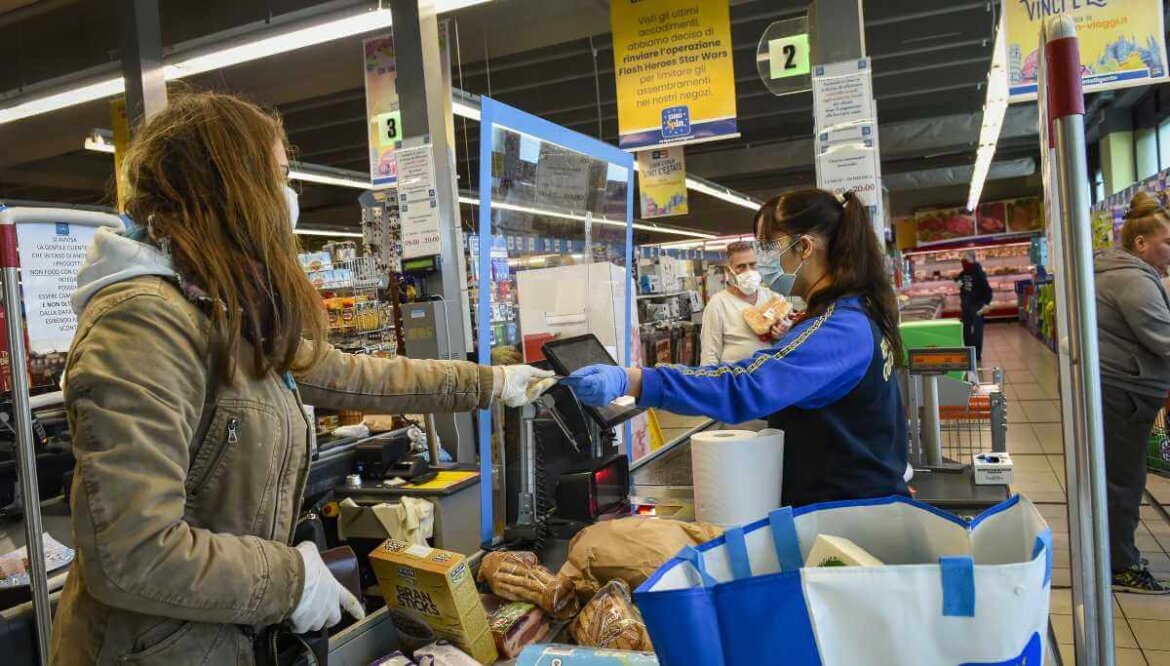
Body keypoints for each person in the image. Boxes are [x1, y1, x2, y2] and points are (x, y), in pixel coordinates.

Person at [50, 92, 554, 664]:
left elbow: (358, 377)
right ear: (231, 188)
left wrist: (489, 383)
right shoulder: (143, 322)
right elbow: (134, 553)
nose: (290, 198)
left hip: (217, 639)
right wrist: (291, 581)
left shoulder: (224, 312)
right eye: (280, 177)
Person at [564, 189, 909, 507]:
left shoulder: (838, 328)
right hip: (856, 500)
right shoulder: (856, 310)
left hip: (843, 512)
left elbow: (744, 385)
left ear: (804, 248)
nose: (763, 262)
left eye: (768, 248)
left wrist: (636, 380)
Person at [1094, 190, 1170, 594]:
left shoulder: (1120, 272)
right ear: (1141, 243)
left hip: (1120, 387)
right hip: (1124, 391)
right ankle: (1122, 565)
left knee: (1117, 477)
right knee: (1124, 480)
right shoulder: (1131, 278)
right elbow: (1162, 335)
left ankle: (1113, 554)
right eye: (1167, 241)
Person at [700, 241, 780, 365]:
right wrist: (710, 381)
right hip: (735, 378)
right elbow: (709, 353)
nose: (749, 271)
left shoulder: (773, 297)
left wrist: (782, 333)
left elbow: (785, 344)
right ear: (730, 270)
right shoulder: (718, 304)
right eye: (741, 266)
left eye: (753, 265)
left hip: (767, 374)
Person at [956, 250, 993, 362]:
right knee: (966, 328)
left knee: (977, 329)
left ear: (971, 259)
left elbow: (987, 289)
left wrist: (986, 303)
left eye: (965, 259)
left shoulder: (978, 272)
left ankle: (976, 353)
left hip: (977, 305)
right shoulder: (964, 272)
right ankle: (968, 350)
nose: (963, 261)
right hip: (966, 305)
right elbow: (960, 284)